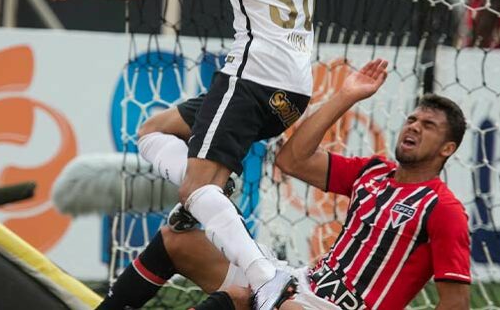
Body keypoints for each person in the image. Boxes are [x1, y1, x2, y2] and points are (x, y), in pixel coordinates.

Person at [40, 0, 452, 307]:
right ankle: (212, 197)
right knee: (156, 130)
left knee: (195, 187)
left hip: (250, 78)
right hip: (292, 90)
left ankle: (260, 272)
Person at [96, 59, 471, 310]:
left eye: (429, 126)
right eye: (412, 119)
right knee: (178, 242)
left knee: (254, 300)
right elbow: (293, 160)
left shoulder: (444, 210)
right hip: (301, 285)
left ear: (447, 149)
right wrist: (346, 95)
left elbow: (455, 303)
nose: (414, 127)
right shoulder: (372, 173)